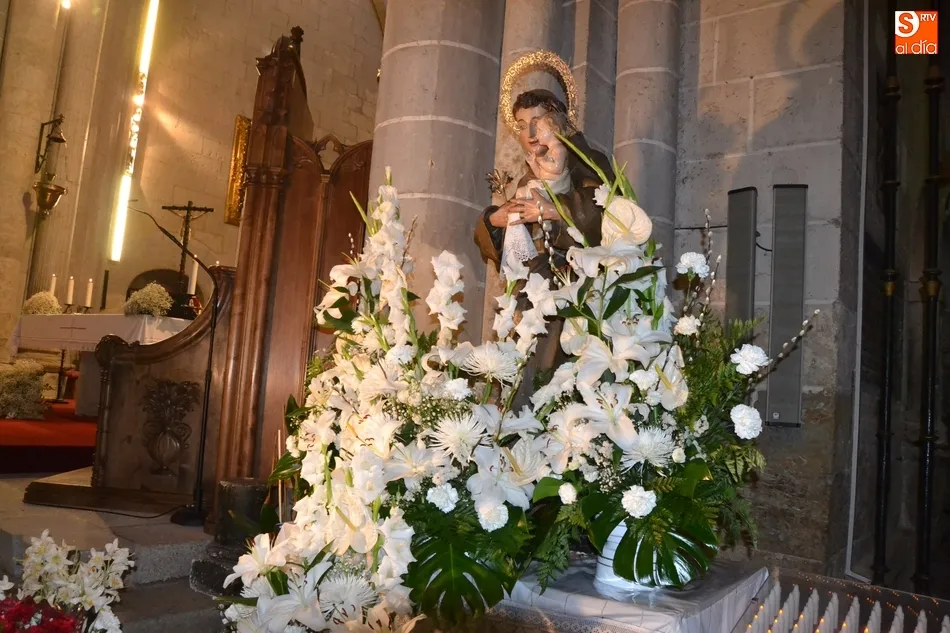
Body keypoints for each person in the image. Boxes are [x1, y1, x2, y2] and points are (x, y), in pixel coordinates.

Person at [474, 89, 614, 279]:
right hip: (532, 282)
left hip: (574, 278)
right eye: (522, 126)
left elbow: (606, 209)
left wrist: (553, 211)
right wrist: (493, 221)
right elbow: (513, 244)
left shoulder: (585, 161)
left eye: (537, 124)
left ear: (556, 124)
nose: (531, 134)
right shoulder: (528, 181)